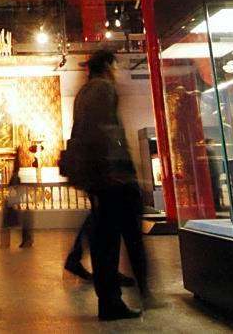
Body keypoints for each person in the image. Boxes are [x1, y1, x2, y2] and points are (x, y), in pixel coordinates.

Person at [67, 49, 153, 321]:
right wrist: (116, 171)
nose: (116, 71)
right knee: (117, 239)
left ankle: (113, 297)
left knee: (105, 239)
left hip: (98, 176)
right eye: (115, 66)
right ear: (107, 65)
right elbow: (106, 132)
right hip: (111, 176)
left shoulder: (84, 93)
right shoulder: (103, 89)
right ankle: (120, 297)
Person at [0, 151, 33, 249]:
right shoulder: (16, 177)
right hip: (13, 204)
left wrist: (11, 202)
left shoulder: (15, 178)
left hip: (12, 204)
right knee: (14, 225)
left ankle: (6, 243)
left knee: (7, 225)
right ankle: (25, 241)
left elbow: (14, 191)